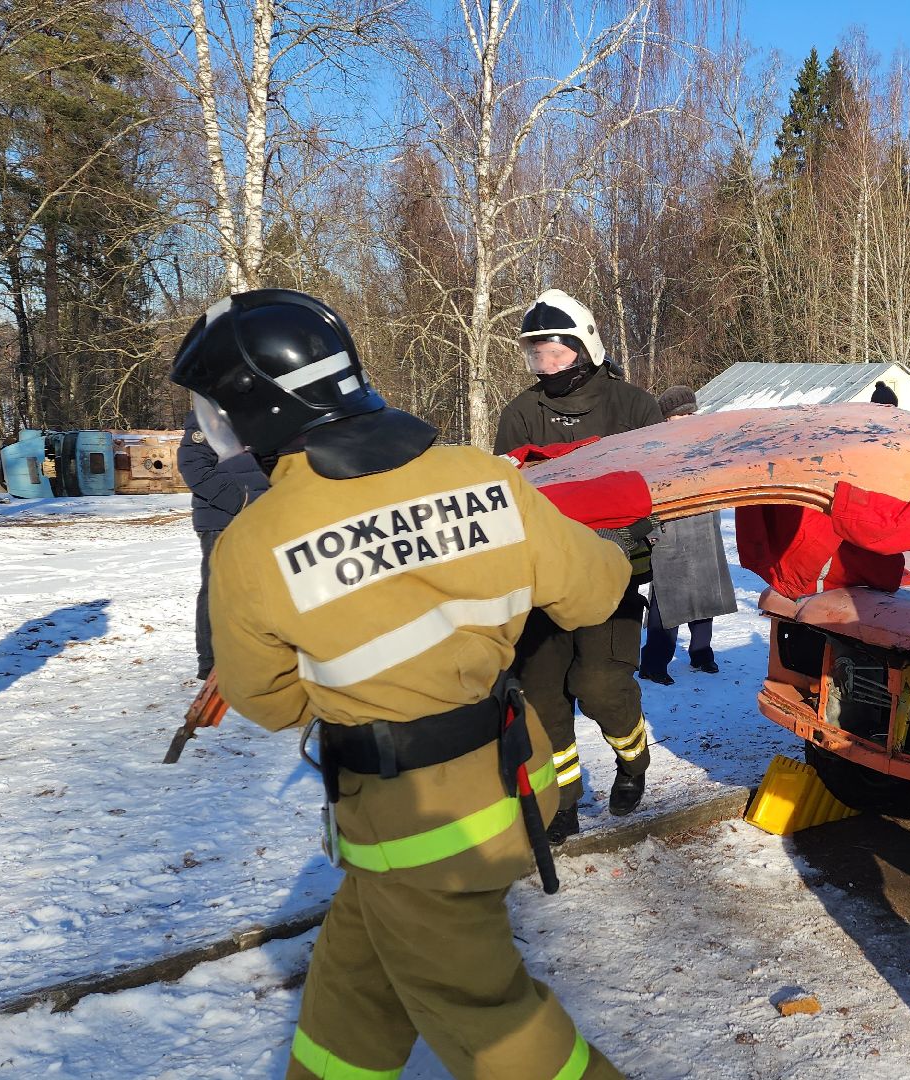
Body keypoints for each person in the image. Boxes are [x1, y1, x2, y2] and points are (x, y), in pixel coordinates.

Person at [171, 289, 643, 1080]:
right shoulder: (481, 477)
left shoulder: (254, 544)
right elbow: (596, 592)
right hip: (513, 780)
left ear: (260, 410)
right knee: (355, 987)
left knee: (492, 1025)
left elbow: (268, 700)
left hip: (414, 826)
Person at [495, 289, 663, 840]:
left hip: (612, 575)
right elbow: (507, 498)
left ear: (585, 347)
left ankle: (632, 761)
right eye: (536, 355)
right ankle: (562, 800)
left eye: (556, 353)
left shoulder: (633, 406)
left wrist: (626, 533)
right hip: (542, 581)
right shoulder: (521, 414)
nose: (546, 365)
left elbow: (660, 487)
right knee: (541, 695)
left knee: (598, 684)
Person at [639, 385, 736, 685]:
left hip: (703, 525)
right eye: (679, 416)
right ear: (667, 419)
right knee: (667, 597)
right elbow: (646, 491)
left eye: (689, 414)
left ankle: (701, 653)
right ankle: (654, 663)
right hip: (670, 528)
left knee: (705, 592)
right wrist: (651, 529)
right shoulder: (652, 448)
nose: (686, 420)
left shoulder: (707, 442)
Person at [178, 409, 269, 679]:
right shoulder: (208, 416)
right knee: (218, 589)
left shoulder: (261, 413)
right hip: (222, 519)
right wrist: (241, 501)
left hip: (264, 516)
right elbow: (193, 467)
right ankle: (211, 661)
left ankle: (256, 654)